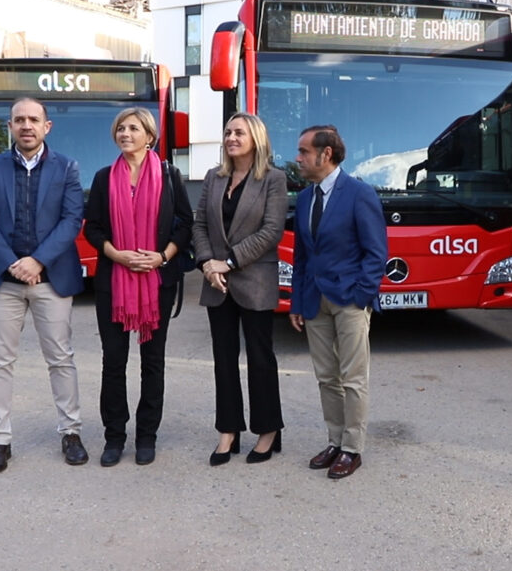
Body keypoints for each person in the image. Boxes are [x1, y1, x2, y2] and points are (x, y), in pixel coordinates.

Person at [0, 97, 88, 474]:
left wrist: (37, 261)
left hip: (51, 278)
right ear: (10, 126)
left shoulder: (67, 167)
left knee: (61, 358)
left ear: (46, 126)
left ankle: (70, 432)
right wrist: (12, 263)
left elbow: (72, 221)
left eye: (33, 120)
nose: (26, 126)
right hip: (4, 280)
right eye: (19, 120)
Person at [84, 107, 193, 467]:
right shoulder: (103, 178)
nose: (125, 134)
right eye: (120, 128)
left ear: (150, 136)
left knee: (153, 363)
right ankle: (114, 437)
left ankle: (147, 436)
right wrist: (117, 255)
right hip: (113, 282)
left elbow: (185, 225)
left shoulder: (169, 175)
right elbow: (93, 227)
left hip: (156, 282)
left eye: (133, 128)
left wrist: (161, 257)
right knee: (113, 362)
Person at [288, 125, 387, 479]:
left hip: (349, 300)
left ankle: (352, 448)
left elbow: (376, 253)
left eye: (303, 152)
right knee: (326, 377)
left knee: (353, 378)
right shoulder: (304, 198)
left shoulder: (359, 194)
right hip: (314, 300)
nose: (297, 158)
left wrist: (361, 296)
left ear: (325, 154)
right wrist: (297, 302)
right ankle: (334, 440)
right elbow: (301, 256)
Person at [193, 112, 287, 466]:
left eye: (239, 133)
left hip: (255, 280)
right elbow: (199, 223)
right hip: (216, 283)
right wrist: (207, 263)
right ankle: (228, 432)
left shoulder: (274, 180)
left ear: (256, 139)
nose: (231, 137)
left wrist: (228, 262)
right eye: (228, 132)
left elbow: (271, 231)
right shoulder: (213, 179)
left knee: (261, 360)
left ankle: (267, 431)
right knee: (223, 360)